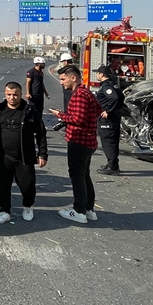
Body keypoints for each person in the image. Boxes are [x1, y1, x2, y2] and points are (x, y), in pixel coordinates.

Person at [0, 82, 48, 223]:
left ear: (21, 94)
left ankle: (28, 206)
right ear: (5, 95)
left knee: (27, 185)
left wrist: (42, 154)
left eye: (15, 94)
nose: (12, 98)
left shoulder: (29, 111)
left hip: (24, 156)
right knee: (3, 186)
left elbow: (41, 133)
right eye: (9, 95)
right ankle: (4, 210)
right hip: (3, 156)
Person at [50, 65, 101, 224]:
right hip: (88, 141)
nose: (61, 82)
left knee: (77, 177)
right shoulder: (88, 93)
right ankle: (89, 209)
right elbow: (98, 110)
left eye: (63, 79)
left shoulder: (79, 95)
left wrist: (61, 115)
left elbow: (78, 119)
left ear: (73, 77)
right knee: (84, 175)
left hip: (79, 141)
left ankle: (79, 211)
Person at [93, 65, 124, 174]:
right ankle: (112, 163)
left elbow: (114, 98)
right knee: (112, 140)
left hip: (108, 118)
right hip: (114, 117)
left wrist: (108, 111)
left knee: (108, 141)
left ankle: (112, 167)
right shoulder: (113, 85)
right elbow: (121, 97)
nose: (96, 75)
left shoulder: (106, 86)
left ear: (102, 75)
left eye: (97, 73)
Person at [25, 57, 50, 121]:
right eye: (43, 63)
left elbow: (41, 84)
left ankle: (38, 124)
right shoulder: (31, 72)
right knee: (32, 110)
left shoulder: (41, 72)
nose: (44, 65)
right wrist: (28, 93)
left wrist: (46, 93)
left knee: (40, 110)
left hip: (40, 95)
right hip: (33, 95)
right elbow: (28, 82)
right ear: (38, 64)